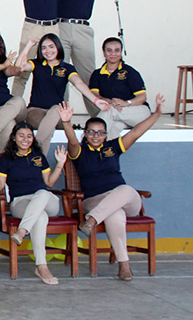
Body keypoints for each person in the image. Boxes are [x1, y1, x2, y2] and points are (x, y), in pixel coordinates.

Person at [60, 94, 165, 281]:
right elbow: (72, 141)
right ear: (85, 133)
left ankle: (91, 221)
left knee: (126, 190)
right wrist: (66, 123)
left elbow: (136, 132)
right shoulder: (80, 152)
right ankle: (124, 266)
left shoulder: (112, 147)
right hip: (95, 201)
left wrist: (156, 113)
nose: (96, 136)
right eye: (91, 132)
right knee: (115, 215)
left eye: (100, 132)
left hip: (125, 201)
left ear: (106, 135)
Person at [57, 0, 151, 114]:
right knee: (60, 74)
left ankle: (99, 118)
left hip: (83, 30)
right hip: (61, 27)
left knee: (88, 77)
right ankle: (60, 119)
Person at [0, 123, 68, 285]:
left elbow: (49, 183)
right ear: (13, 137)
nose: (25, 139)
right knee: (39, 217)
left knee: (42, 193)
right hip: (21, 203)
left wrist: (60, 164)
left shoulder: (38, 157)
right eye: (21, 135)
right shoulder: (6, 159)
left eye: (29, 136)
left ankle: (22, 230)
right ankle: (41, 266)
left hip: (47, 202)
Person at [15, 33, 109, 154]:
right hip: (36, 111)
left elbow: (79, 84)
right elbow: (18, 66)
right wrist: (29, 45)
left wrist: (96, 101)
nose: (47, 50)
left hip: (58, 114)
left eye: (51, 46)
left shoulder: (67, 68)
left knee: (56, 109)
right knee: (48, 127)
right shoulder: (36, 64)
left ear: (58, 47)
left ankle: (35, 154)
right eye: (43, 48)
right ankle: (38, 155)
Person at [88, 37, 152, 139]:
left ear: (121, 52)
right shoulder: (97, 74)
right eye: (109, 50)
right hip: (117, 113)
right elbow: (94, 95)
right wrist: (109, 101)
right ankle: (107, 153)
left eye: (117, 50)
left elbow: (142, 97)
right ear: (104, 53)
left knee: (110, 111)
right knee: (113, 128)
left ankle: (88, 141)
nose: (113, 54)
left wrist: (126, 103)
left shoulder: (130, 72)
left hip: (138, 112)